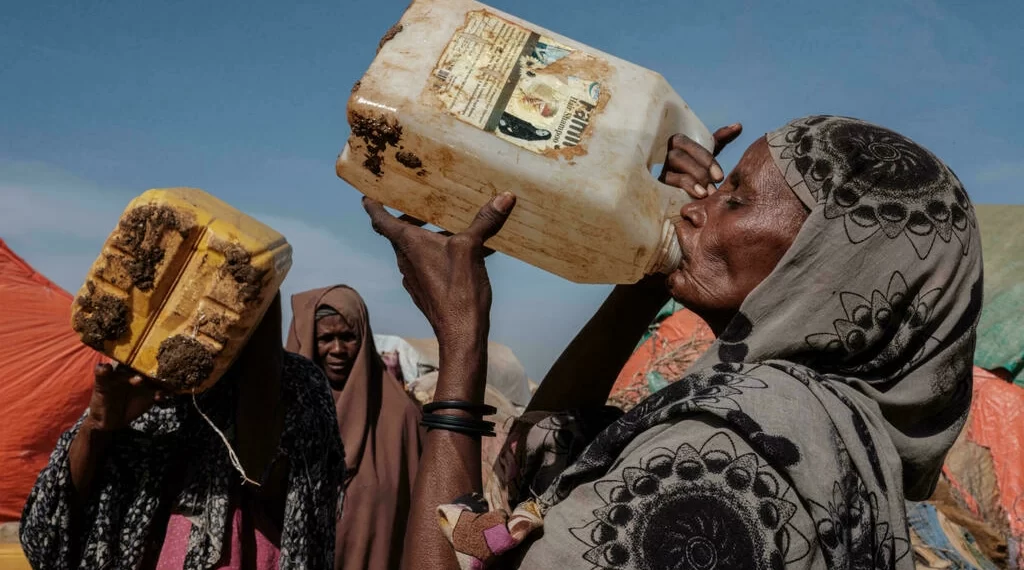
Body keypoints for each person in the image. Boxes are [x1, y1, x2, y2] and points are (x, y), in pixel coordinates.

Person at [364, 115, 983, 570]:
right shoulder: (831, 425)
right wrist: (653, 270)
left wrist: (463, 342)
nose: (695, 207)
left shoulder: (723, 460)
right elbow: (548, 447)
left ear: (823, 268)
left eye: (735, 199)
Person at [19, 293, 346, 569]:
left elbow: (289, 497)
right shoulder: (138, 380)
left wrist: (259, 367)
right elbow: (44, 537)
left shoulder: (297, 384)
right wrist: (97, 427)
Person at [285, 285, 423, 570]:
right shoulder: (283, 410)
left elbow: (414, 517)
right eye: (326, 338)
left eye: (348, 337)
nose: (338, 350)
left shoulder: (400, 417)